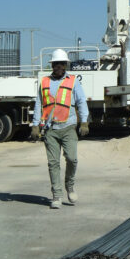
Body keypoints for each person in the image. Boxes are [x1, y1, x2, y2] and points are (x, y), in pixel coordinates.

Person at [30, 49, 89, 209]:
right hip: (50, 129)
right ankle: (56, 195)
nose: (58, 66)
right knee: (53, 163)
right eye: (56, 64)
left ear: (65, 65)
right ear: (52, 65)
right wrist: (35, 125)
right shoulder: (44, 82)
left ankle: (69, 185)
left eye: (61, 64)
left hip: (69, 127)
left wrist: (84, 121)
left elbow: (81, 101)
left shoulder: (73, 81)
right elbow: (39, 104)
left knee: (72, 159)